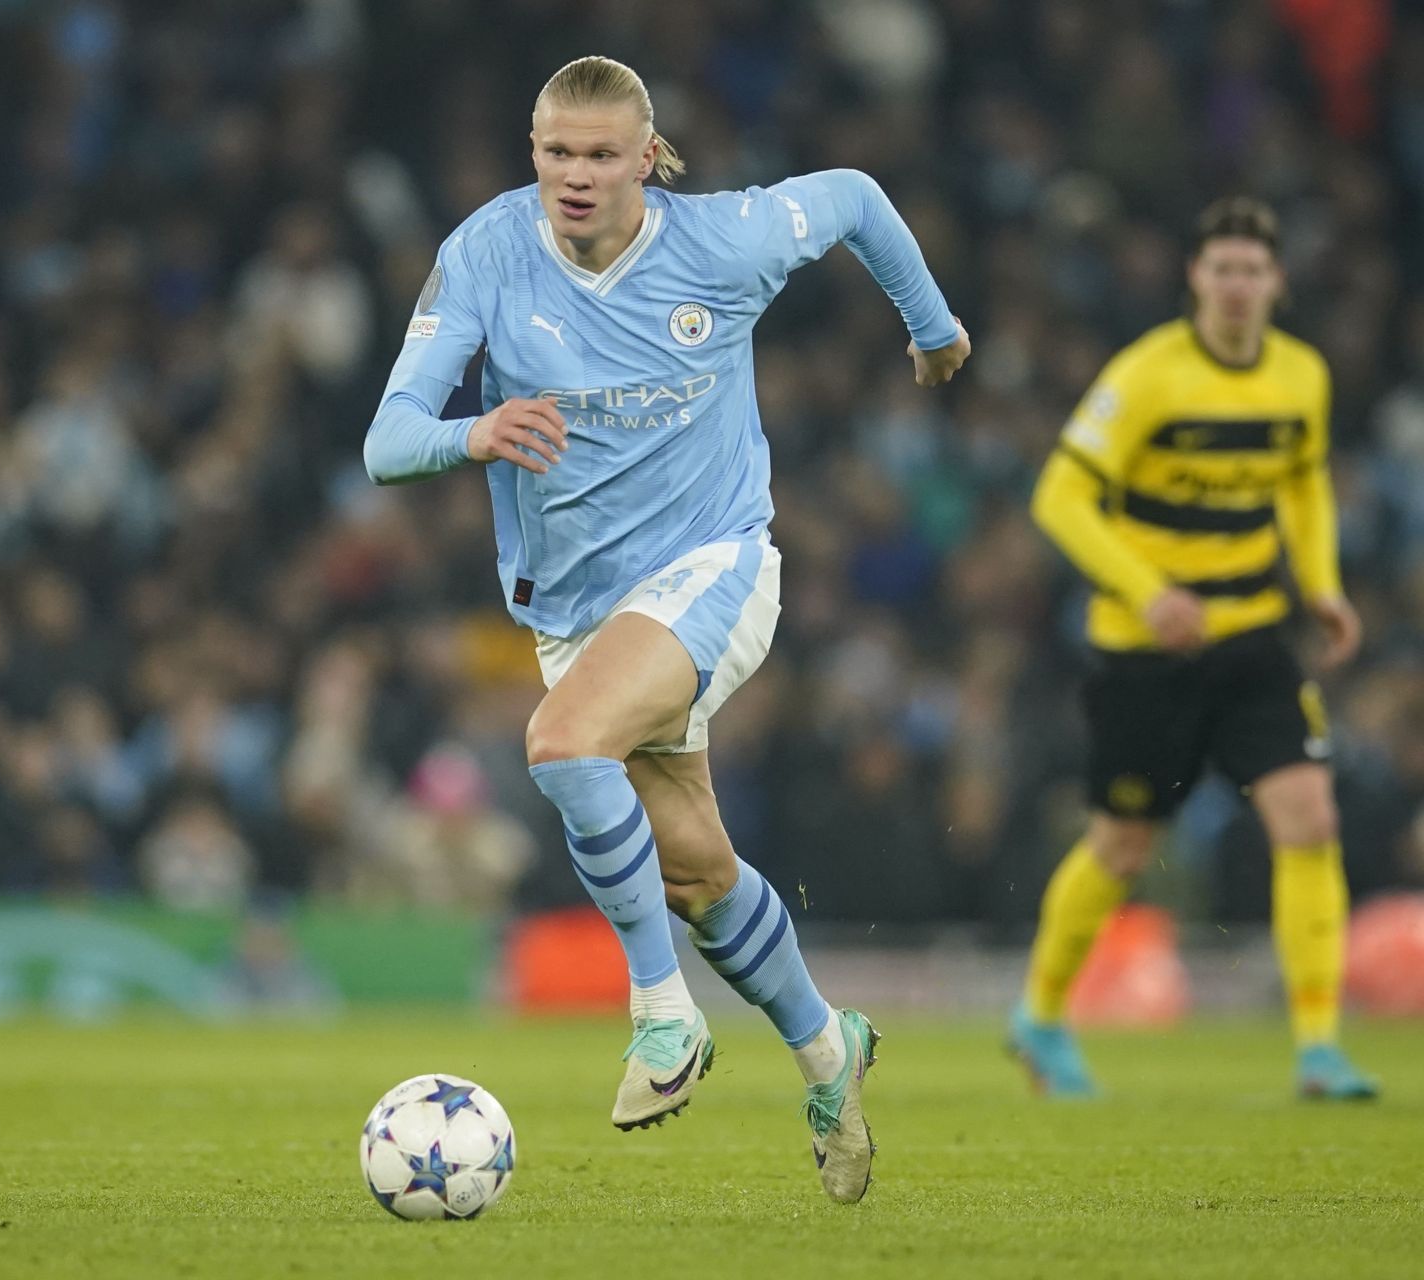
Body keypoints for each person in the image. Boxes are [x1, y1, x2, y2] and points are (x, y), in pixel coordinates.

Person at [364, 55, 969, 1202]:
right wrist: (473, 432)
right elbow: (386, 442)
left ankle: (661, 1010)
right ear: (532, 152)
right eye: (555, 153)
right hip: (577, 611)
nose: (575, 176)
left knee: (559, 742)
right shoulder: (487, 253)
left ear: (648, 157)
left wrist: (931, 327)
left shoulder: (722, 241)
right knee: (696, 870)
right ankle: (828, 1047)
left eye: (600, 155)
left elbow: (851, 194)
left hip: (716, 566)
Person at [1012, 197, 1377, 1101]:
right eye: (1222, 269)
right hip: (1144, 649)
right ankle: (1041, 1016)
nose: (1239, 286)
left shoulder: (1302, 376)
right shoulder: (1146, 376)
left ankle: (1319, 1049)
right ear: (1195, 278)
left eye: (1253, 270)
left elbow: (1302, 488)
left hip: (1253, 637)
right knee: (1125, 845)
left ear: (1278, 283)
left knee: (1310, 818)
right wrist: (1150, 591)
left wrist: (1321, 585)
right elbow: (1059, 495)